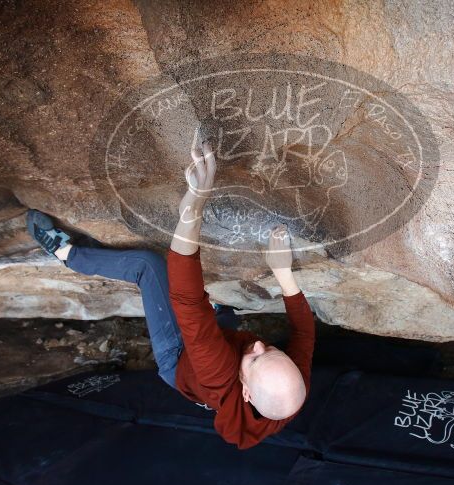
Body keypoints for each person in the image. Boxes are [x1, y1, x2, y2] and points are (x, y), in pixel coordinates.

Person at [26, 141, 315, 449]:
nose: (259, 344)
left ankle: (68, 253)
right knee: (224, 316)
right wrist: (283, 272)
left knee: (147, 266)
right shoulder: (290, 388)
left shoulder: (220, 375)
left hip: (177, 358)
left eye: (256, 359)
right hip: (218, 348)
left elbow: (188, 302)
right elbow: (304, 333)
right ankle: (223, 320)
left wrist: (193, 210)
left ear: (245, 391)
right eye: (273, 351)